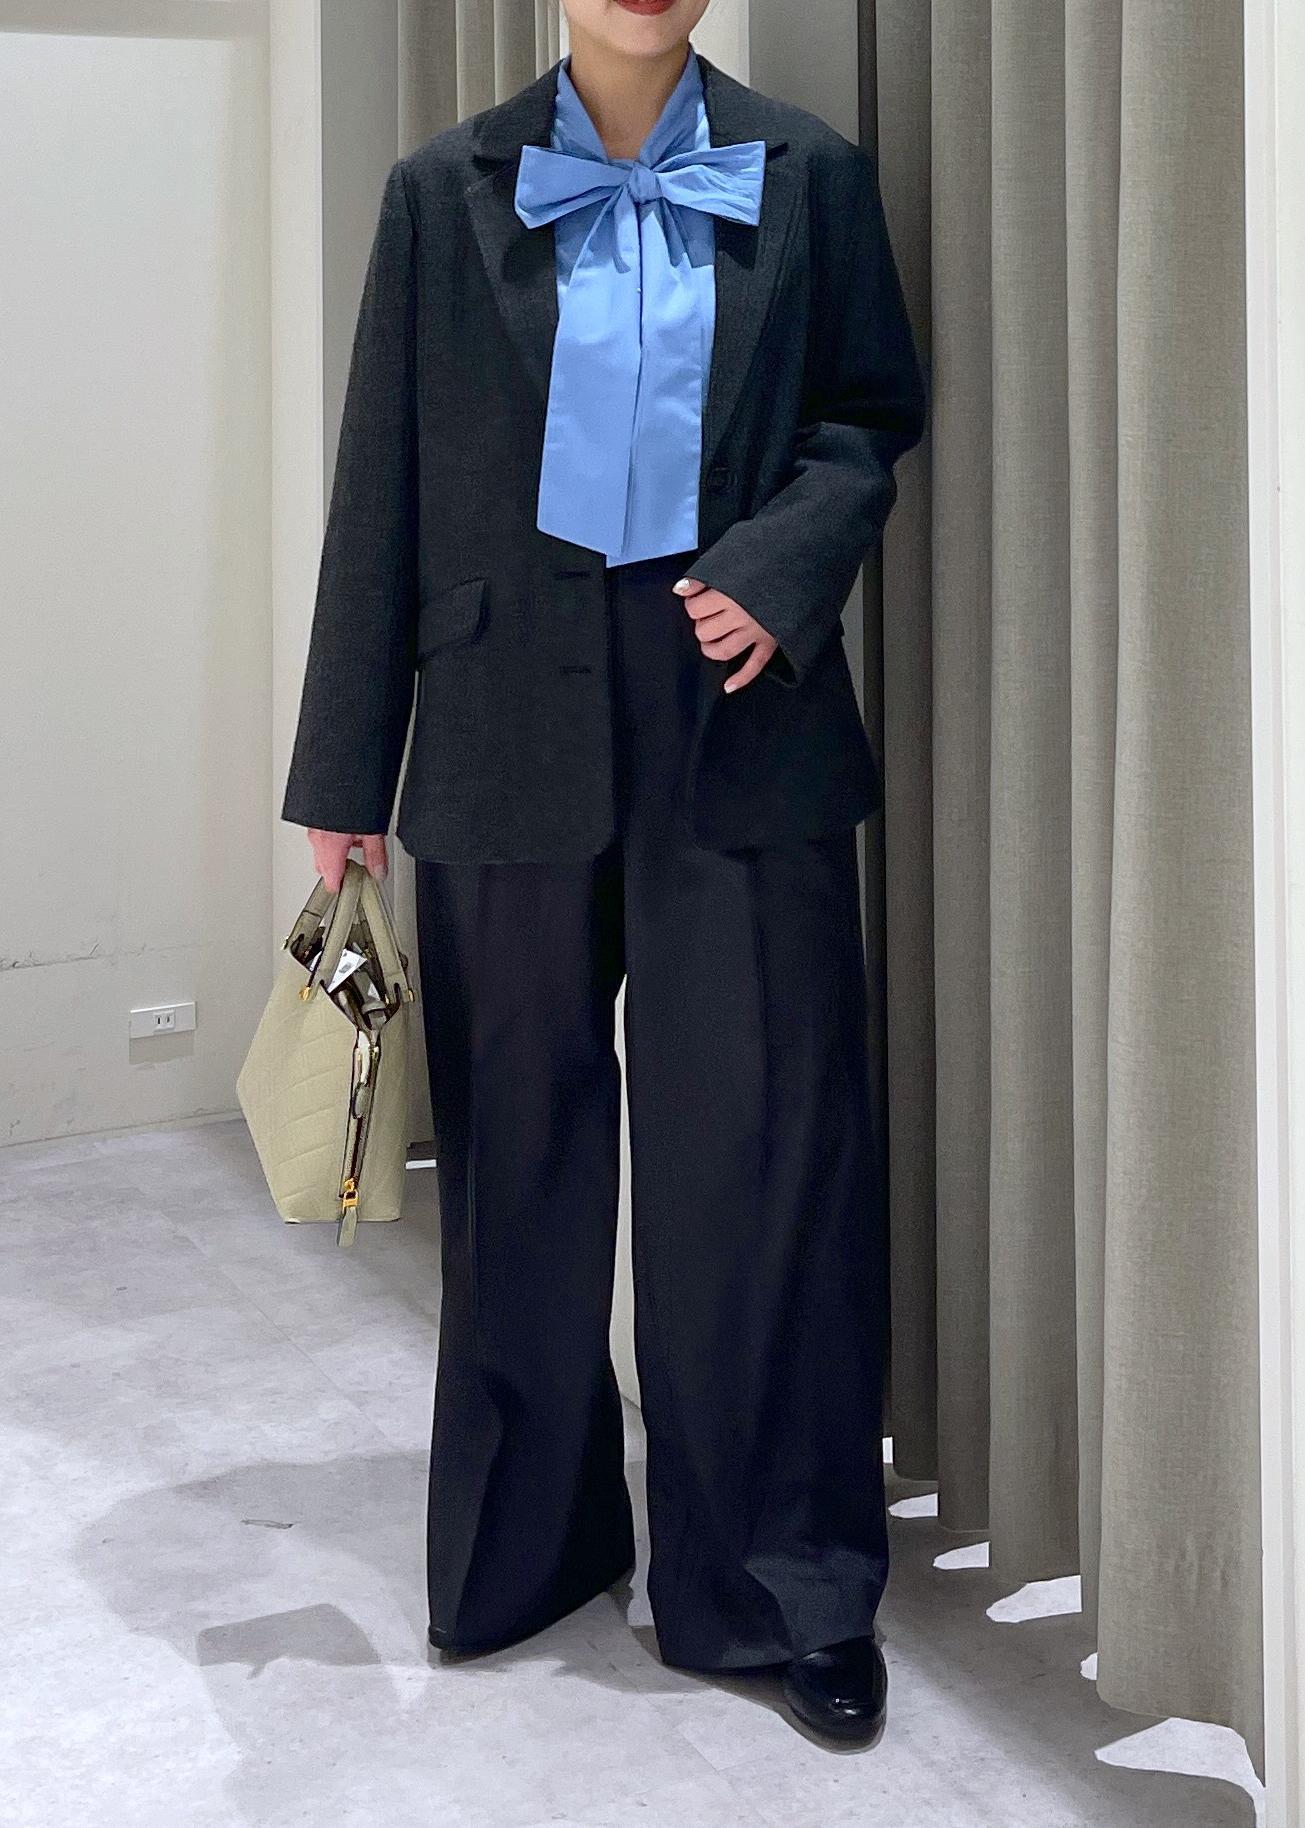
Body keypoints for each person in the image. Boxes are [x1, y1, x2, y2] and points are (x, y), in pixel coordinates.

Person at [281, 0, 925, 1748]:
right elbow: (380, 484)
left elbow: (868, 418)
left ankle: (782, 1583)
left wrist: (781, 569)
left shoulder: (811, 176)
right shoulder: (441, 192)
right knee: (520, 1160)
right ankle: (528, 1543)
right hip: (502, 718)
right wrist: (342, 774)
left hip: (743, 711)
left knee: (761, 1163)